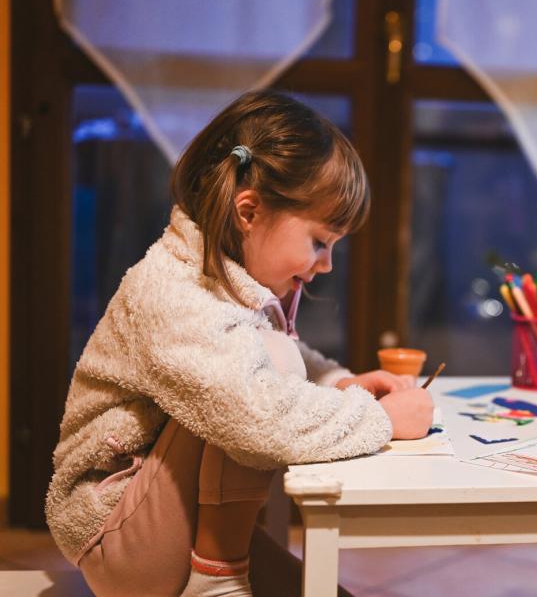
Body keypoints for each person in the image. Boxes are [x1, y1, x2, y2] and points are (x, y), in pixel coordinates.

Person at [45, 90, 435, 596]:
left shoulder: (225, 279)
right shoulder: (171, 291)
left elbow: (270, 349)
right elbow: (254, 410)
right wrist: (381, 420)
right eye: (320, 242)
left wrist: (341, 382)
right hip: (116, 532)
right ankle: (216, 579)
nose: (326, 265)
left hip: (161, 514)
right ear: (248, 212)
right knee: (263, 371)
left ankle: (220, 568)